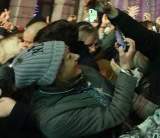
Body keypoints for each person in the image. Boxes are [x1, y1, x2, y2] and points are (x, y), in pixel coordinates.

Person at [10, 39, 138, 137]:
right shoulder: (54, 119)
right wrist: (125, 68)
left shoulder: (84, 71)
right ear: (52, 76)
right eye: (68, 58)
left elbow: (116, 92)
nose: (77, 56)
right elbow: (115, 114)